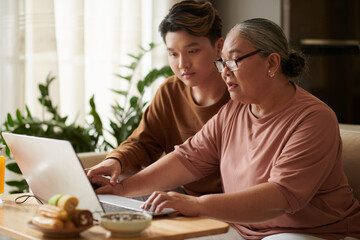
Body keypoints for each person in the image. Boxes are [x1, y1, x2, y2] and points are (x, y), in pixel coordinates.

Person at [90, 18, 360, 240]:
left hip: (315, 233)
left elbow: (282, 196)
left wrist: (198, 205)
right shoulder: (235, 109)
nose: (224, 72)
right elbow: (188, 159)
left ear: (272, 63)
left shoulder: (314, 119)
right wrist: (123, 190)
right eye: (222, 62)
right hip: (245, 228)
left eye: (233, 61)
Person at [86, 0, 229, 196]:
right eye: (173, 54)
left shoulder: (241, 95)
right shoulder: (170, 91)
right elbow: (143, 143)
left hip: (229, 205)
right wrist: (115, 161)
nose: (182, 64)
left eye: (192, 51)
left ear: (219, 47)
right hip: (182, 199)